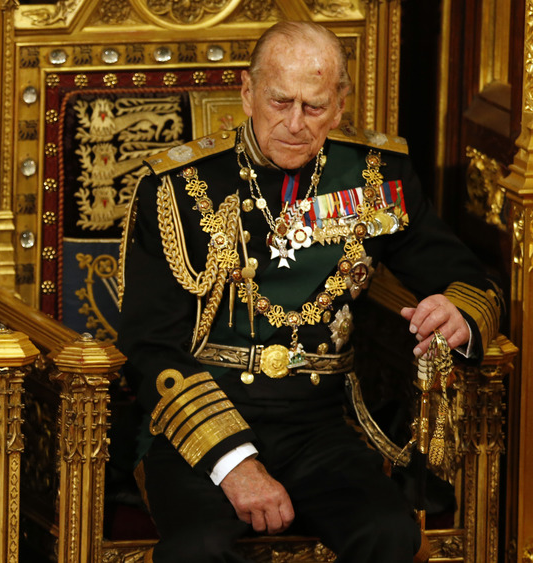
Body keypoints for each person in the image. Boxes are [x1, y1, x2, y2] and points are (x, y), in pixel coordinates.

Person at [117, 21, 502, 562]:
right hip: (202, 427)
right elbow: (148, 343)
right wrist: (234, 464)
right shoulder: (176, 189)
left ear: (340, 104)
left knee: (390, 535)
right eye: (280, 101)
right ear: (248, 93)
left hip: (320, 425)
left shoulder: (373, 176)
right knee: (198, 549)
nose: (295, 124)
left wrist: (457, 312)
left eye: (314, 106)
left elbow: (466, 279)